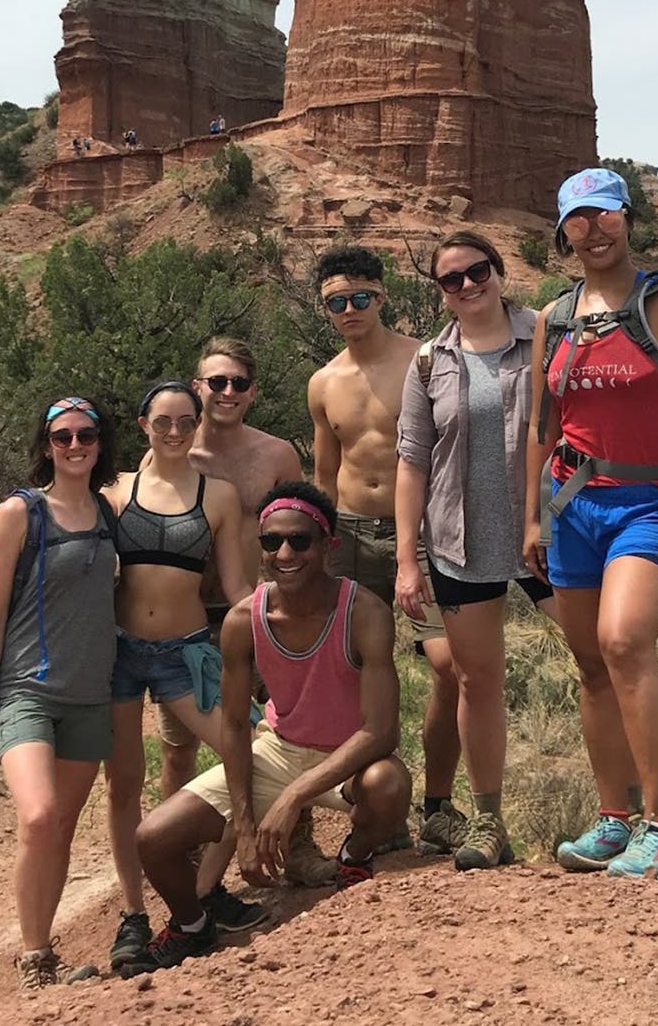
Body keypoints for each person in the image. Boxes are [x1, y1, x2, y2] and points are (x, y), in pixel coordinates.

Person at [523, 168, 658, 880]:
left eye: (606, 215)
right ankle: (614, 819)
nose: (594, 230)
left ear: (628, 218)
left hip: (651, 502)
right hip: (572, 503)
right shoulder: (553, 317)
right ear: (563, 233)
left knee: (624, 642)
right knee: (590, 664)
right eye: (578, 220)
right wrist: (534, 518)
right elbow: (543, 427)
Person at [125, 484, 411, 975]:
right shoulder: (245, 620)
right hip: (279, 751)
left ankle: (354, 855)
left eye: (300, 541)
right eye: (271, 541)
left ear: (329, 545)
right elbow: (236, 725)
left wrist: (293, 797)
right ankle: (192, 925)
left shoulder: (364, 613)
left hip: (349, 756)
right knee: (154, 837)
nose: (284, 554)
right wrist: (244, 826)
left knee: (389, 785)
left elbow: (382, 732)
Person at [394, 231, 558, 871]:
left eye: (477, 271)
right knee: (478, 681)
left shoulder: (545, 335)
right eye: (451, 279)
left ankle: (626, 813)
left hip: (547, 534)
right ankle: (489, 820)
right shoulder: (429, 361)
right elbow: (413, 460)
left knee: (603, 659)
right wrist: (407, 560)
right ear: (440, 291)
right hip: (459, 542)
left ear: (499, 270)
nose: (467, 285)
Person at [308, 246, 461, 852]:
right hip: (347, 534)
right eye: (336, 302)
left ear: (382, 296)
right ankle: (383, 807)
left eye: (360, 297)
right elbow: (325, 473)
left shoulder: (422, 360)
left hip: (419, 536)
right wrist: (317, 549)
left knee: (449, 666)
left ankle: (439, 804)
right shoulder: (324, 382)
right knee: (352, 674)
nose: (350, 309)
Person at [100, 381, 255, 969]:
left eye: (185, 422)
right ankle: (134, 914)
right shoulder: (114, 491)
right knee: (123, 785)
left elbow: (236, 587)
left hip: (186, 654)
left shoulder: (218, 495)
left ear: (197, 425)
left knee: (250, 755)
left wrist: (281, 625)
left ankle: (204, 891)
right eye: (162, 421)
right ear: (143, 424)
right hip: (118, 653)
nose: (174, 432)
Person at [0, 395, 119, 991]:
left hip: (90, 694)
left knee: (60, 829)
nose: (75, 445)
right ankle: (33, 958)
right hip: (27, 690)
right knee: (38, 816)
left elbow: (166, 467)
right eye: (63, 437)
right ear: (46, 445)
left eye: (86, 435)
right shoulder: (20, 513)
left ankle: (44, 954)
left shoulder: (109, 509)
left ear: (101, 442)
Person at [154, 337, 303, 798]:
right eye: (217, 381)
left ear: (252, 392)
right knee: (178, 748)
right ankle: (179, 836)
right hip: (185, 620)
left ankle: (291, 830)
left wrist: (299, 610)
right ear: (198, 386)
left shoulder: (276, 456)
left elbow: (305, 531)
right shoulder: (171, 452)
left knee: (283, 732)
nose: (228, 392)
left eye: (239, 383)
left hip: (253, 613)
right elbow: (129, 505)